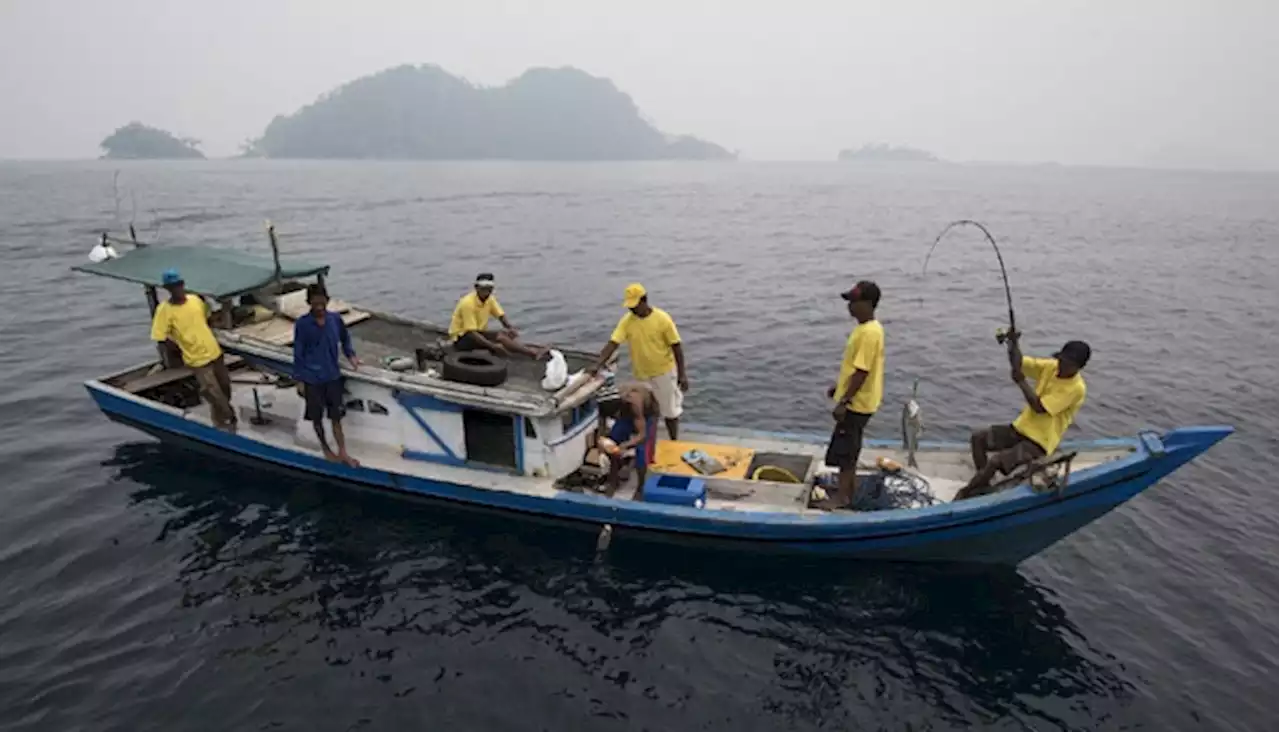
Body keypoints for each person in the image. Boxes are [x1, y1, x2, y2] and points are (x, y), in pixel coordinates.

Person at [956, 332, 1090, 500]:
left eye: (1067, 364)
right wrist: (1013, 344)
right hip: (1020, 428)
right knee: (978, 438)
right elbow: (1019, 363)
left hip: (1039, 441)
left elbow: (1039, 407)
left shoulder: (1076, 389)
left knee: (996, 461)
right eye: (1061, 360)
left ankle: (966, 493)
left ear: (1078, 367)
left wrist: (1021, 382)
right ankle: (983, 484)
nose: (1061, 366)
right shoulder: (1051, 367)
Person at [589, 284, 688, 440]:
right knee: (645, 410)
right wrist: (598, 364)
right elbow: (613, 343)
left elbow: (676, 346)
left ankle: (673, 441)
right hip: (641, 375)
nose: (632, 310)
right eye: (630, 307)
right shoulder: (627, 321)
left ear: (644, 300)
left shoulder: (662, 319)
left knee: (670, 411)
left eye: (635, 306)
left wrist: (682, 374)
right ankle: (647, 442)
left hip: (664, 373)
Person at [820, 281, 885, 510]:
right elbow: (856, 369)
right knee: (849, 447)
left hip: (857, 405)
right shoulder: (865, 329)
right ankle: (850, 490)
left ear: (868, 304)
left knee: (846, 452)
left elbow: (862, 372)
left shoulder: (869, 333)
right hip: (860, 399)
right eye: (849, 301)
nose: (850, 306)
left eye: (855, 302)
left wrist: (844, 401)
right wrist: (838, 388)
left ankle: (841, 499)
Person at [150, 268, 236, 431]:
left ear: (183, 284)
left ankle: (219, 416)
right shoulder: (164, 311)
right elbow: (160, 337)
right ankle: (227, 419)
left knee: (225, 386)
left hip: (214, 352)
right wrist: (176, 350)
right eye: (172, 286)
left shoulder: (195, 300)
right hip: (196, 359)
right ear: (167, 289)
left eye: (178, 284)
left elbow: (207, 317)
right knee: (213, 391)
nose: (177, 289)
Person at [293, 284, 362, 466]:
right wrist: (299, 379)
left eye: (322, 303)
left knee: (336, 417)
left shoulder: (335, 319)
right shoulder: (302, 324)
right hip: (312, 378)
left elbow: (345, 339)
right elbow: (298, 353)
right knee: (317, 418)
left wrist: (352, 356)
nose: (319, 307)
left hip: (332, 376)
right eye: (315, 304)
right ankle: (326, 449)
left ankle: (343, 451)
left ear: (327, 301)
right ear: (309, 303)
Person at [448, 273, 547, 359]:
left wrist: (510, 328)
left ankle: (527, 349)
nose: (486, 292)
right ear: (476, 288)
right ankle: (532, 353)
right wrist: (493, 346)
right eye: (483, 289)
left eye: (489, 289)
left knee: (505, 335)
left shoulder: (490, 299)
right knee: (500, 339)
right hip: (461, 338)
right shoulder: (468, 303)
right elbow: (471, 332)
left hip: (478, 332)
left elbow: (500, 316)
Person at [603, 382, 661, 500]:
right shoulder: (605, 405)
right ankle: (613, 480)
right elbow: (603, 431)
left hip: (647, 414)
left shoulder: (635, 403)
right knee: (613, 440)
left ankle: (640, 486)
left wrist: (627, 444)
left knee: (641, 450)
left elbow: (642, 435)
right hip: (627, 415)